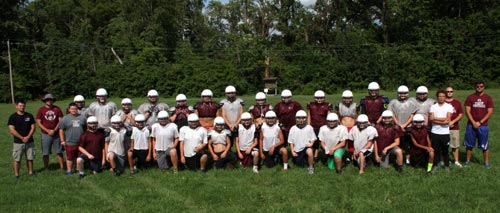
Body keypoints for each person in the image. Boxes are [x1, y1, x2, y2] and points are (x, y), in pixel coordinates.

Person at [464, 81, 494, 168]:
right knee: (469, 145)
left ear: (484, 87)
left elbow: (490, 112)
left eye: (481, 86)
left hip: (483, 125)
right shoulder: (470, 97)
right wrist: (473, 122)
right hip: (471, 125)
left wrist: (480, 122)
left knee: (484, 145)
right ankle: (467, 161)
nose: (479, 88)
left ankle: (486, 163)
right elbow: (467, 111)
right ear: (475, 87)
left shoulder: (488, 98)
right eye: (477, 86)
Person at [388, 85, 417, 165]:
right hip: (396, 126)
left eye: (404, 93)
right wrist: (399, 125)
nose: (402, 95)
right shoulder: (393, 102)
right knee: (397, 143)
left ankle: (407, 160)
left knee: (408, 144)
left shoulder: (411, 102)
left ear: (407, 93)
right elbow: (392, 114)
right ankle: (396, 159)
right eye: (401, 93)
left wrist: (404, 125)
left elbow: (412, 115)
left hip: (407, 127)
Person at [8, 100, 36, 178]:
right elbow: (11, 130)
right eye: (20, 106)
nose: (22, 107)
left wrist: (28, 137)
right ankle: (16, 175)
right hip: (18, 142)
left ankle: (30, 172)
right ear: (16, 106)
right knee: (17, 159)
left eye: (23, 105)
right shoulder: (12, 117)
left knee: (30, 158)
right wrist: (22, 138)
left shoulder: (29, 116)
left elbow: (33, 127)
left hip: (29, 141)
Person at [36, 93, 64, 170]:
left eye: (50, 99)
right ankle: (46, 168)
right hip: (45, 134)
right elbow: (38, 122)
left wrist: (55, 130)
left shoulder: (57, 109)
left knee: (59, 151)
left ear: (53, 100)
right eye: (47, 100)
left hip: (56, 134)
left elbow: (60, 120)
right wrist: (47, 131)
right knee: (45, 153)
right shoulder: (41, 110)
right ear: (45, 101)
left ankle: (62, 167)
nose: (49, 101)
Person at [59, 102, 87, 176]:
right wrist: (62, 140)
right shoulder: (65, 118)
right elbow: (61, 130)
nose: (73, 110)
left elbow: (86, 128)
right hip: (70, 141)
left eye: (75, 109)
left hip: (81, 142)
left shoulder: (82, 117)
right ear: (69, 109)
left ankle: (78, 170)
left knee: (79, 157)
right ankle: (69, 171)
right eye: (72, 109)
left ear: (77, 109)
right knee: (70, 157)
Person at [429, 90, 453, 172]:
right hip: (435, 132)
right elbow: (431, 119)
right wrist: (442, 121)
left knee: (445, 150)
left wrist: (435, 118)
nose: (441, 98)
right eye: (439, 96)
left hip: (445, 133)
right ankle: (435, 165)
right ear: (437, 97)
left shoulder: (449, 106)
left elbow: (448, 119)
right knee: (435, 150)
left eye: (443, 96)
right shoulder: (433, 106)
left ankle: (447, 166)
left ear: (445, 97)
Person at [374, 110, 404, 175]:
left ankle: (400, 168)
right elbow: (375, 142)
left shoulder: (395, 127)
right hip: (381, 150)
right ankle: (390, 160)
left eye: (388, 118)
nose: (386, 119)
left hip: (391, 148)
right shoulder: (377, 127)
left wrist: (387, 148)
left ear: (391, 118)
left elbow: (397, 142)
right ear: (382, 118)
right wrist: (376, 155)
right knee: (384, 168)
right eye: (385, 118)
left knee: (399, 151)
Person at [307, 90, 333, 162]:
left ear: (324, 98)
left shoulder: (327, 105)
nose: (319, 100)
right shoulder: (311, 105)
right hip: (313, 126)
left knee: (323, 142)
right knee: (314, 142)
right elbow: (309, 116)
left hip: (323, 127)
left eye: (321, 98)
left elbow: (329, 116)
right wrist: (309, 126)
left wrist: (329, 127)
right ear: (315, 98)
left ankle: (326, 155)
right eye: (317, 98)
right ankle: (314, 156)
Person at [288, 110, 317, 174]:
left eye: (303, 118)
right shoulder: (293, 128)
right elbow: (291, 142)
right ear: (295, 119)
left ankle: (311, 167)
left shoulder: (309, 128)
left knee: (310, 152)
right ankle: (305, 159)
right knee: (299, 165)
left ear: (306, 119)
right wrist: (292, 151)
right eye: (299, 118)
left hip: (306, 147)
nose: (301, 120)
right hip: (297, 149)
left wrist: (311, 144)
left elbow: (313, 138)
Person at [336, 90, 359, 159]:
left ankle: (352, 155)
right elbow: (338, 117)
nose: (347, 100)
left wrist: (356, 125)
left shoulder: (355, 105)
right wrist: (339, 125)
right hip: (343, 127)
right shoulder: (339, 106)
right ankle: (341, 156)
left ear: (352, 98)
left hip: (352, 126)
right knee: (342, 142)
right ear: (343, 98)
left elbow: (357, 116)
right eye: (345, 98)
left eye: (349, 98)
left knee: (351, 142)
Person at [444, 86, 464, 168]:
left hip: (454, 127)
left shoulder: (457, 103)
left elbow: (460, 114)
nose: (449, 93)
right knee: (444, 145)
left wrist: (453, 121)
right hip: (443, 128)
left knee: (455, 145)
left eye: (451, 91)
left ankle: (456, 161)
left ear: (453, 92)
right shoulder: (441, 102)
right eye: (447, 91)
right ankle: (445, 160)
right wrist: (446, 123)